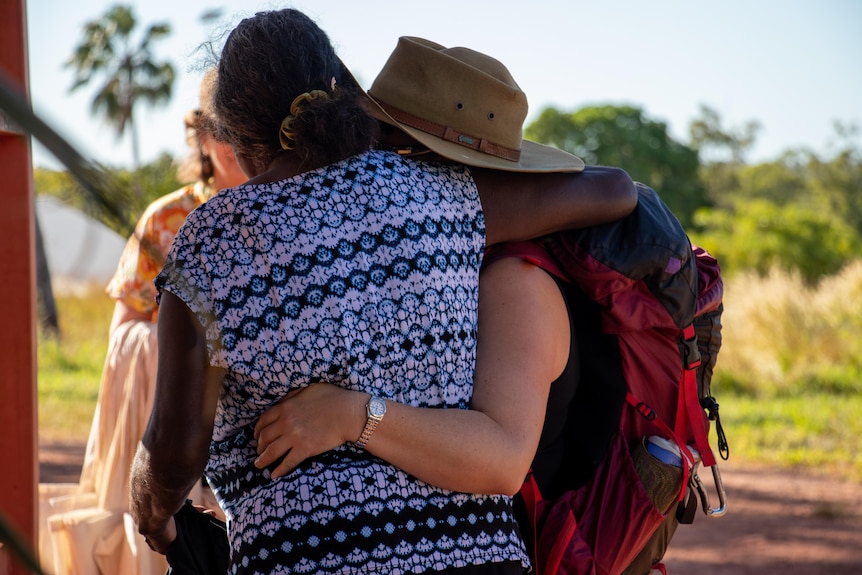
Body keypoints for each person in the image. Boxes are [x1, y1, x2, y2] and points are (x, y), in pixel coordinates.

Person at [129, 10, 635, 575]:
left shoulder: (211, 241)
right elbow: (615, 189)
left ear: (233, 136)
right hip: (477, 559)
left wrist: (149, 508)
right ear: (339, 96)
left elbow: (174, 454)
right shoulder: (449, 201)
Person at [41, 68, 246, 575]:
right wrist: (184, 350)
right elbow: (122, 334)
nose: (239, 142)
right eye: (228, 129)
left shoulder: (281, 214)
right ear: (205, 136)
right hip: (171, 413)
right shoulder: (164, 221)